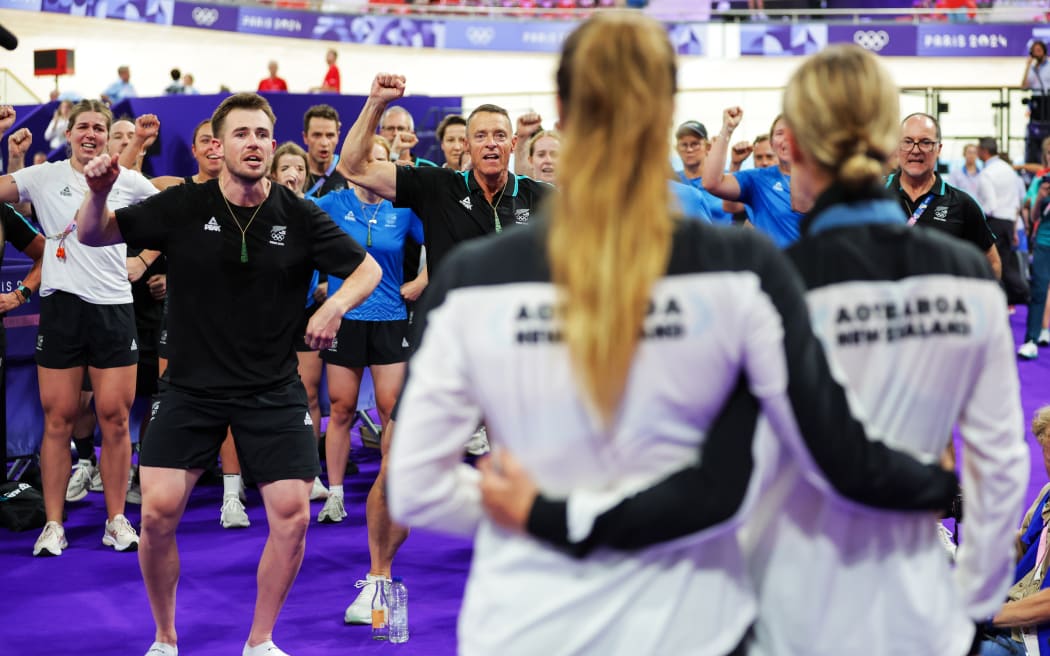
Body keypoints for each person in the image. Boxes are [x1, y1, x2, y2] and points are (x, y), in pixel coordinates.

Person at [387, 19, 960, 656]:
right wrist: (948, 487)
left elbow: (413, 482)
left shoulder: (472, 279)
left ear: (560, 113)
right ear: (666, 109)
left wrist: (526, 514)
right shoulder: (745, 269)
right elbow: (822, 451)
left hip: (527, 622)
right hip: (694, 620)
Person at [74, 92, 381, 656]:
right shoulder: (183, 206)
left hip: (272, 388)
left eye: (263, 134)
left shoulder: (299, 213)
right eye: (242, 134)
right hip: (190, 386)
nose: (255, 144)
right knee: (160, 513)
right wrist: (96, 193)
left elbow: (367, 269)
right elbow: (95, 234)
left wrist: (333, 307)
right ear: (219, 145)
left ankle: (259, 640)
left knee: (291, 516)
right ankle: (165, 637)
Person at [335, 74, 554, 623]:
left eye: (498, 136)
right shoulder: (434, 187)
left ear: (511, 144)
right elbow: (354, 166)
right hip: (446, 357)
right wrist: (377, 103)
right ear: (463, 144)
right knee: (398, 465)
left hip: (517, 360)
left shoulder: (541, 199)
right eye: (478, 135)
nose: (488, 143)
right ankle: (379, 584)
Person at [0, 100, 158, 557]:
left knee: (114, 418)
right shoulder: (44, 176)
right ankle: (53, 524)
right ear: (68, 134)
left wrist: (145, 260)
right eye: (83, 127)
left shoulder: (128, 182)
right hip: (62, 309)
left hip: (113, 309)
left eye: (99, 128)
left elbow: (170, 221)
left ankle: (115, 519)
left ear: (109, 137)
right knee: (58, 420)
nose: (90, 134)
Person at [312, 135, 426, 530]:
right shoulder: (331, 204)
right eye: (365, 160)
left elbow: (440, 241)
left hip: (391, 318)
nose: (371, 170)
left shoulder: (403, 210)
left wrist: (421, 281)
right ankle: (337, 494)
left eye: (380, 161)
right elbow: (299, 234)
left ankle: (392, 488)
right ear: (350, 165)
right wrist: (316, 289)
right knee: (341, 408)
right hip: (346, 321)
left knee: (391, 408)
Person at [886, 113, 1001, 279]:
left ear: (938, 148)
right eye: (908, 141)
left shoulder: (963, 204)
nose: (915, 150)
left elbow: (992, 263)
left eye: (925, 142)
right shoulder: (873, 196)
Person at [976, 405, 1050, 656]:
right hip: (1011, 622)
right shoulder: (1047, 494)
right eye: (1049, 454)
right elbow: (1026, 550)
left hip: (1035, 640)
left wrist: (988, 613)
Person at [703, 110, 805, 246]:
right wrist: (727, 129)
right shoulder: (757, 179)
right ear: (772, 143)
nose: (786, 139)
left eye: (792, 133)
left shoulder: (823, 178)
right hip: (773, 265)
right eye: (780, 133)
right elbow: (712, 183)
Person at [674, 120, 735, 224]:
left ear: (708, 147)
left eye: (695, 144)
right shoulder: (673, 181)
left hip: (724, 238)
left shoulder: (725, 179)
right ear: (677, 149)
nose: (689, 150)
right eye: (684, 145)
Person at [302, 104, 348, 198]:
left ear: (338, 136)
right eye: (317, 135)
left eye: (330, 135)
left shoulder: (347, 170)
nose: (324, 143)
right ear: (305, 137)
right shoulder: (294, 170)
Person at [1023, 40, 1050, 122]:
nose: (1036, 53)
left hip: (1048, 101)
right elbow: (1024, 87)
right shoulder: (1031, 68)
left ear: (1044, 51)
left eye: (1038, 51)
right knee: (1035, 129)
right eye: (1034, 51)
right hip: (1036, 102)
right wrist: (1027, 66)